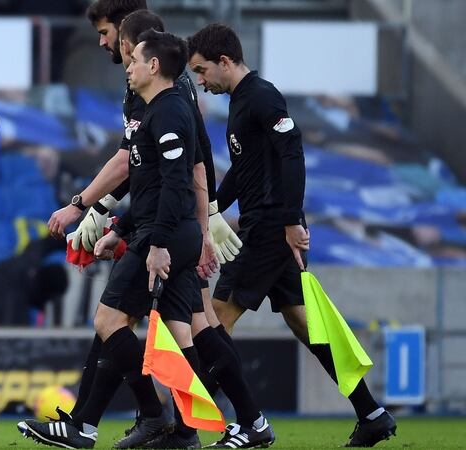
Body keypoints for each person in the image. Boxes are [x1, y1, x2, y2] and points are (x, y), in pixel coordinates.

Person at [20, 29, 273, 450]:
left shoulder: (169, 111)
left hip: (165, 236)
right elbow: (168, 181)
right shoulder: (157, 110)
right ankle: (203, 430)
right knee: (185, 330)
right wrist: (121, 227)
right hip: (171, 231)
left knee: (108, 321)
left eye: (134, 58)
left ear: (153, 65)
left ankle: (152, 415)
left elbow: (176, 184)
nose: (128, 65)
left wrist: (157, 245)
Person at [187, 23, 397, 448]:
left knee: (215, 319)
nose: (201, 82)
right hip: (268, 225)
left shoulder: (262, 96)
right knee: (304, 322)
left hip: (268, 229)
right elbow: (244, 175)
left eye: (202, 70)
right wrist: (209, 209)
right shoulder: (241, 102)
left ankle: (226, 423)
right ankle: (370, 412)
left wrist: (290, 221)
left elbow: (292, 152)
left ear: (225, 61)